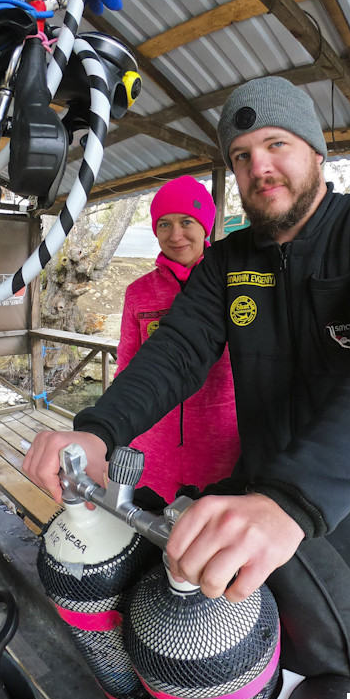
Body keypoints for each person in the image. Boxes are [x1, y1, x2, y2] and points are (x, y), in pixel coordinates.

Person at [23, 76, 350, 699]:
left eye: (276, 144)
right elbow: (175, 352)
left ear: (316, 150)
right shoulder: (229, 261)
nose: (260, 167)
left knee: (335, 674)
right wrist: (98, 429)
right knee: (247, 650)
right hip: (253, 493)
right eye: (242, 156)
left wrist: (292, 503)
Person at [115, 175, 240, 503]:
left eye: (187, 221)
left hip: (222, 451)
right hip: (152, 452)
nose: (175, 235)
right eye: (164, 224)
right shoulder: (139, 292)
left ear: (207, 227)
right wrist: (117, 436)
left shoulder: (235, 288)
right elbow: (127, 367)